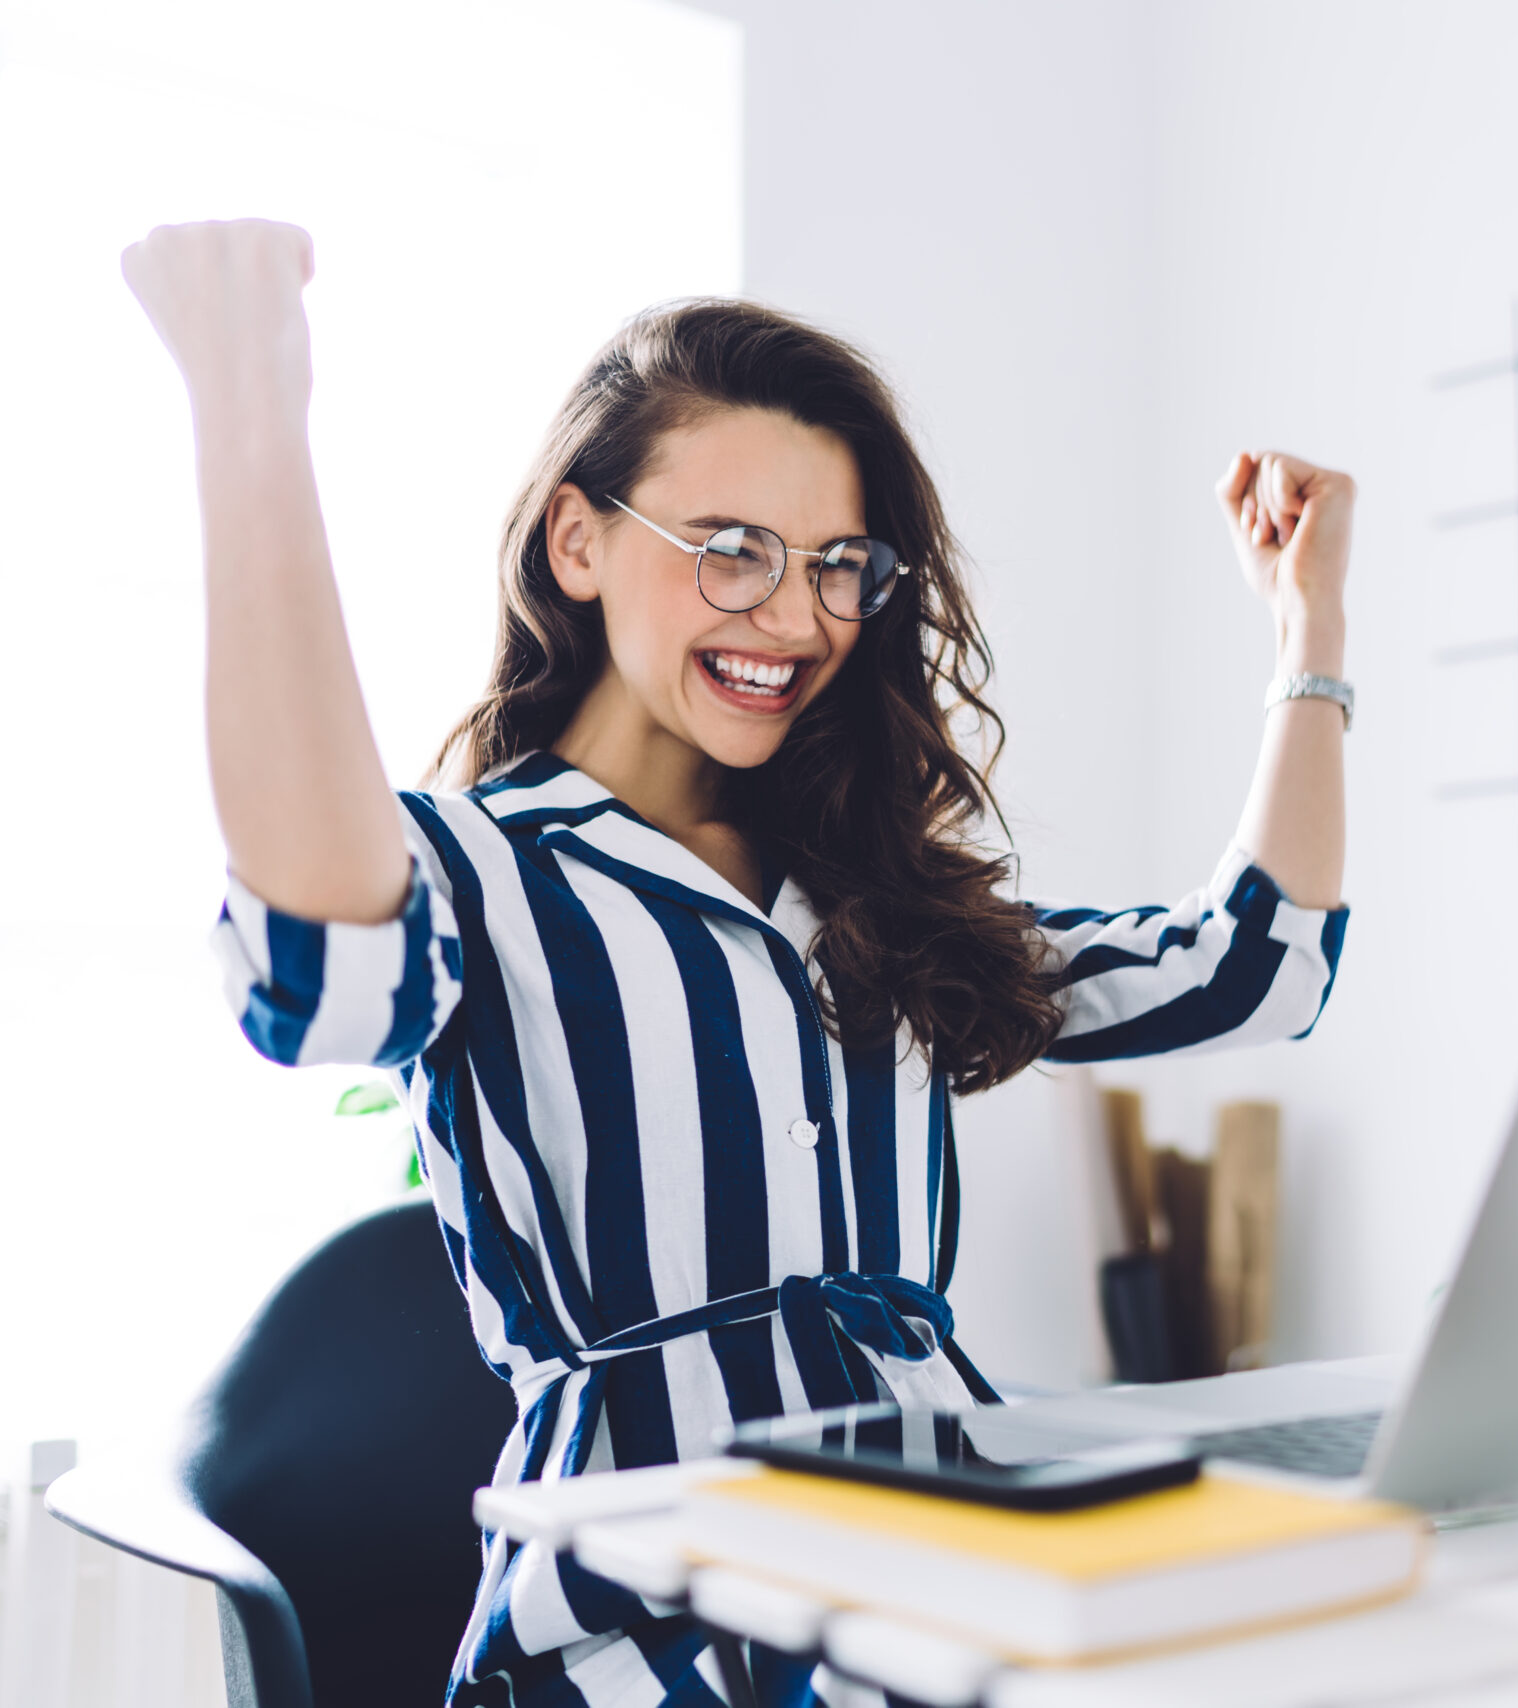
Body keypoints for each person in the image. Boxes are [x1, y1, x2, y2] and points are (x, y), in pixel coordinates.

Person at [122, 217, 1356, 1708]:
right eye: (731, 552)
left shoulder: (877, 896)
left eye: (839, 565)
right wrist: (252, 409)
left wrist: (1311, 632)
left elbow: (1254, 970)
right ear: (577, 541)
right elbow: (321, 971)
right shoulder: (478, 870)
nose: (796, 616)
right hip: (649, 1601)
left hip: (946, 1564)